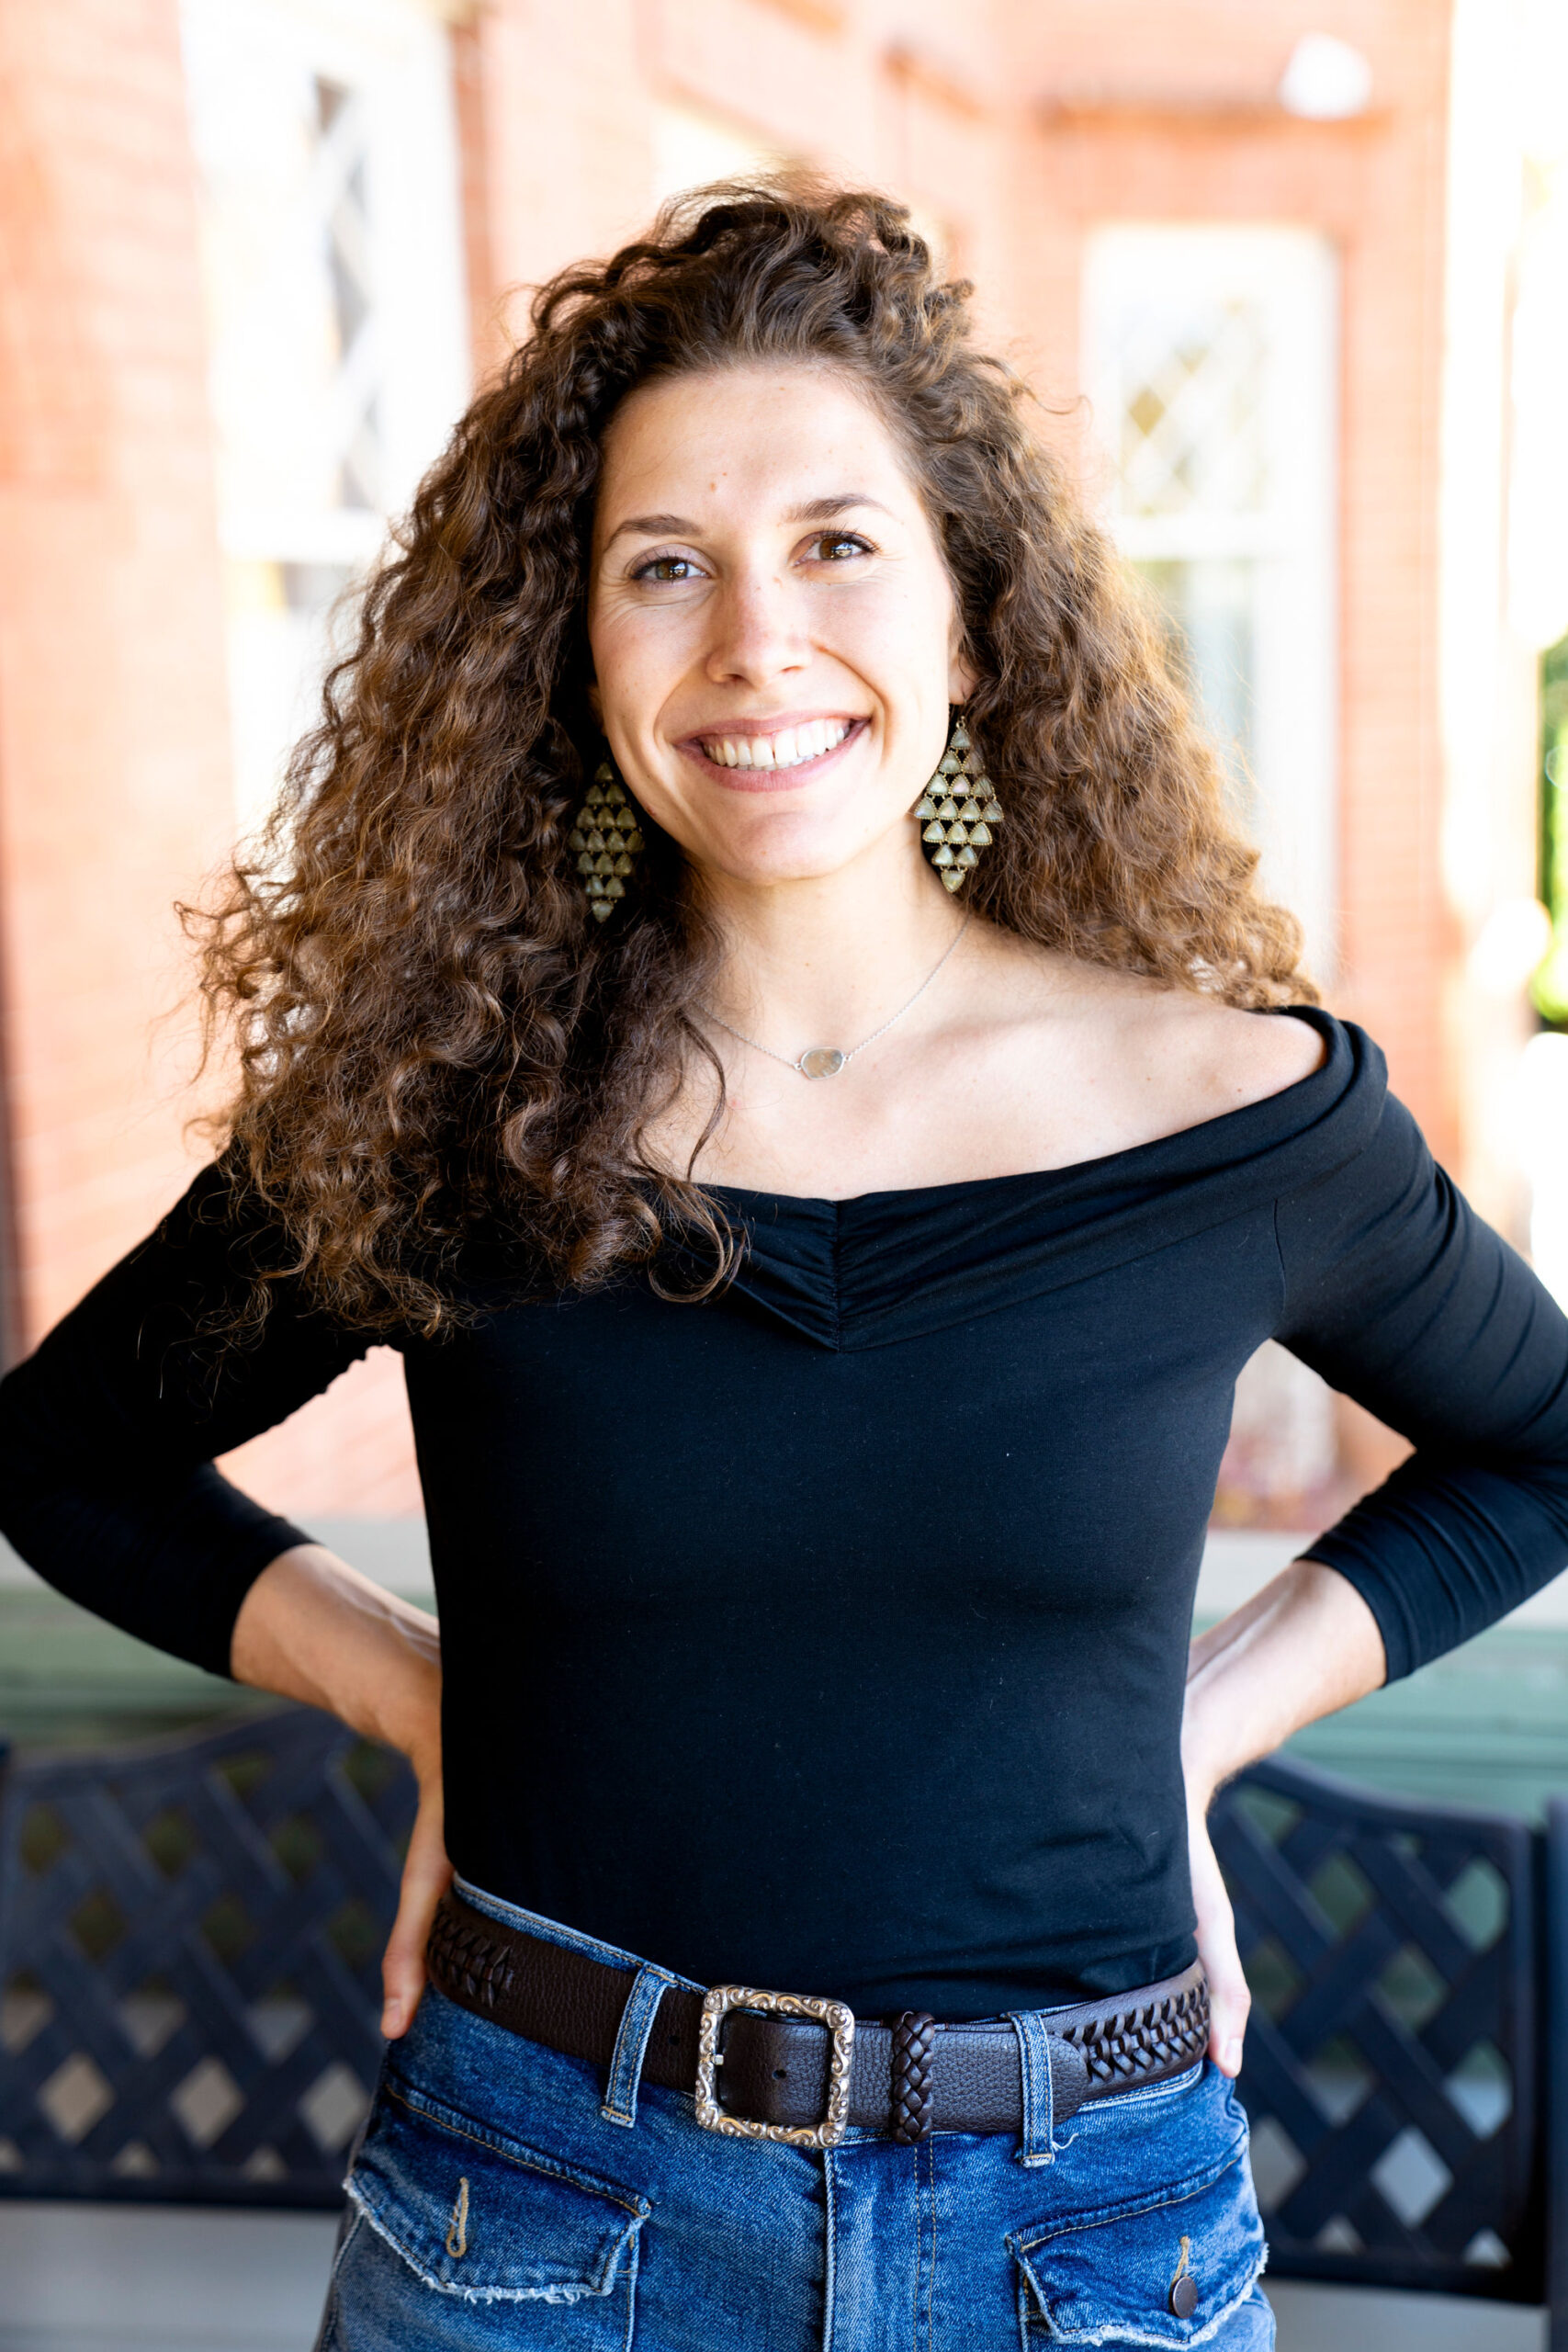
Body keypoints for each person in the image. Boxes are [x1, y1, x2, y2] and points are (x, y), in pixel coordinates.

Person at [4, 180, 1567, 2351]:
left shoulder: (1234, 1117)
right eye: (665, 567)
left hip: (1085, 2237)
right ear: (575, 649)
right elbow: (65, 1454)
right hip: (535, 2209)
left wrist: (1192, 1730)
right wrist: (429, 1693)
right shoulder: (451, 1107)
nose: (756, 639)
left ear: (966, 613)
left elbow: (1542, 1445)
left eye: (838, 542)